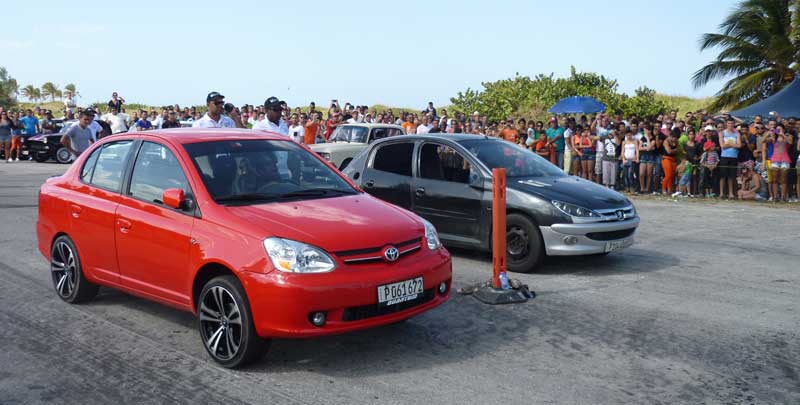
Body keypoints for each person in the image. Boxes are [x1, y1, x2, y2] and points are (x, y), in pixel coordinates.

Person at [719, 117, 741, 199]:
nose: (730, 125)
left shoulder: (737, 133)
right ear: (726, 124)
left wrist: (729, 144)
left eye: (732, 123)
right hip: (724, 156)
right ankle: (721, 193)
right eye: (728, 123)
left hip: (734, 156)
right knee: (722, 175)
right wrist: (732, 145)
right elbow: (722, 146)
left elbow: (739, 145)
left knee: (731, 176)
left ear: (734, 124)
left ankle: (731, 193)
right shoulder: (722, 133)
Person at [769, 131, 791, 202]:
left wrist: (783, 135)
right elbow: (765, 140)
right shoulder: (774, 138)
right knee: (774, 180)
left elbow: (790, 143)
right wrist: (773, 132)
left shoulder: (787, 136)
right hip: (775, 160)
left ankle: (783, 197)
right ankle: (775, 197)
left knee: (784, 180)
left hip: (785, 160)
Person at [662, 129, 680, 195]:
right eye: (674, 137)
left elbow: (678, 150)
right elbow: (668, 151)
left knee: (672, 176)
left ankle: (669, 190)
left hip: (673, 160)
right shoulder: (666, 141)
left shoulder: (676, 141)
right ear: (671, 136)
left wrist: (674, 150)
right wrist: (675, 150)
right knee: (668, 175)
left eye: (676, 138)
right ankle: (663, 189)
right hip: (666, 159)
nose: (675, 139)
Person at [638, 126, 655, 194]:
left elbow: (650, 147)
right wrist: (647, 148)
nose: (645, 132)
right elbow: (639, 148)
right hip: (643, 157)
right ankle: (642, 188)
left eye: (646, 130)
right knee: (641, 173)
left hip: (650, 157)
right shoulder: (642, 138)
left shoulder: (653, 139)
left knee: (649, 174)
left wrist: (648, 138)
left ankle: (647, 188)